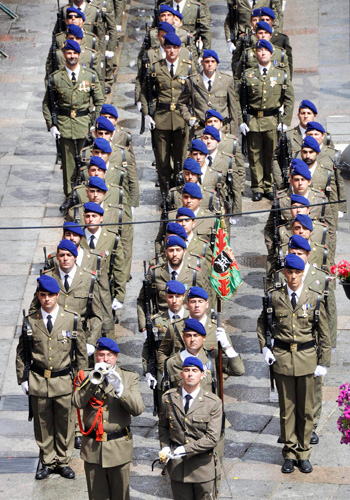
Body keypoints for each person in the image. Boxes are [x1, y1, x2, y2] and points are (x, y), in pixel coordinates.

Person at [257, 254, 331, 474]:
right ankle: (289, 453)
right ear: (285, 273)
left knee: (306, 410)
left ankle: (304, 452)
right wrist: (265, 347)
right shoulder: (274, 297)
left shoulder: (314, 297)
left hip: (307, 359)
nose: (294, 277)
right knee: (287, 410)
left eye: (298, 273)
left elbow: (324, 333)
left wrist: (323, 362)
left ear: (302, 274)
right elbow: (262, 324)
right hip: (282, 359)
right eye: (290, 272)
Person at [16, 275, 87, 479]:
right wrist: (23, 378)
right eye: (42, 295)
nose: (46, 299)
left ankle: (63, 461)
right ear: (38, 296)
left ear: (58, 296)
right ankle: (47, 461)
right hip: (39, 380)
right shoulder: (31, 320)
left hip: (64, 380)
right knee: (43, 423)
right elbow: (22, 352)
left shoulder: (71, 319)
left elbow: (81, 352)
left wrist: (81, 377)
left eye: (50, 295)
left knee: (65, 422)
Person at [73, 337, 144, 499]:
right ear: (95, 356)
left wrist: (120, 389)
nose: (105, 359)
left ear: (116, 357)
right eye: (101, 354)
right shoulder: (84, 375)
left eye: (110, 355)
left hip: (119, 448)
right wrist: (92, 381)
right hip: (93, 449)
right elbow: (77, 402)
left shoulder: (128, 377)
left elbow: (138, 409)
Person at [42, 39, 104, 212]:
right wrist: (51, 125)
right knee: (69, 165)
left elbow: (100, 101)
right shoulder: (56, 78)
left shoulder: (89, 75)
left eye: (74, 53)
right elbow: (47, 104)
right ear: (64, 55)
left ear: (79, 54)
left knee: (87, 163)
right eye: (68, 53)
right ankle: (70, 196)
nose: (71, 56)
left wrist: (95, 123)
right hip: (64, 126)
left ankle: (87, 195)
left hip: (85, 125)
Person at [237, 38, 294, 201]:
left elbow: (290, 97)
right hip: (253, 120)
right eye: (259, 51)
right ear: (255, 53)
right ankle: (257, 187)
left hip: (272, 120)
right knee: (254, 156)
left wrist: (285, 121)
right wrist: (241, 121)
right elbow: (238, 99)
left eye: (265, 51)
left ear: (271, 53)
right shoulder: (248, 75)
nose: (262, 53)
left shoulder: (280, 74)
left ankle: (269, 186)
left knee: (271, 155)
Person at [159, 356, 222, 499]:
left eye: (194, 370)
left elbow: (212, 438)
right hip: (178, 468)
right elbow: (163, 426)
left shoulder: (213, 402)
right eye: (186, 370)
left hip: (202, 468)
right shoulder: (168, 398)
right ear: (181, 374)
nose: (190, 374)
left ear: (202, 375)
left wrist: (185, 449)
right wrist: (165, 446)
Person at [140, 32, 192, 194]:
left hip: (181, 119)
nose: (172, 51)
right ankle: (165, 194)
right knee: (162, 160)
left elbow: (195, 92)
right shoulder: (156, 67)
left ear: (180, 49)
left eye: (175, 48)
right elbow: (145, 92)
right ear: (164, 48)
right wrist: (147, 114)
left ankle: (179, 192)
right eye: (168, 47)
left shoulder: (188, 67)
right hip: (161, 118)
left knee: (181, 160)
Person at [30, 239, 105, 346]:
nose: (65, 259)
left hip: (80, 337)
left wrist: (91, 342)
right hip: (53, 339)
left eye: (69, 255)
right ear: (57, 256)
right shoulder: (48, 277)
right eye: (62, 255)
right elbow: (34, 309)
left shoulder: (88, 279)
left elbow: (97, 315)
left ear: (75, 257)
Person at [137, 235, 210, 331]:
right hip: (162, 324)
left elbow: (204, 300)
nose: (175, 254)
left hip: (188, 323)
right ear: (166, 252)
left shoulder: (194, 273)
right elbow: (143, 299)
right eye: (171, 250)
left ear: (184, 252)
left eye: (178, 250)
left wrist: (204, 324)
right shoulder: (156, 273)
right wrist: (144, 326)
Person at [178, 49, 239, 138]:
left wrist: (233, 135)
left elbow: (233, 109)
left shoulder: (226, 81)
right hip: (200, 131)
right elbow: (181, 102)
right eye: (207, 61)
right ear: (202, 63)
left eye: (213, 61)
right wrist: (189, 118)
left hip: (222, 131)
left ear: (217, 63)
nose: (210, 64)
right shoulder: (192, 81)